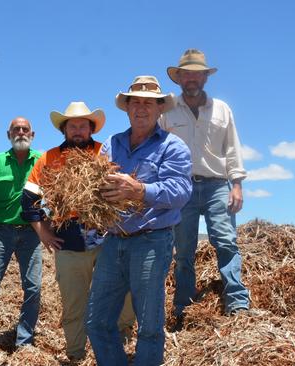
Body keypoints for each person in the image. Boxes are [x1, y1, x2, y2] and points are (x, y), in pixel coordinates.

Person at [85, 76, 192, 366]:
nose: (141, 109)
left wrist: (140, 190)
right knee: (97, 322)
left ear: (160, 109)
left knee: (148, 326)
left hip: (152, 241)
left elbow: (181, 191)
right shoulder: (111, 144)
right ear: (127, 108)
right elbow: (96, 185)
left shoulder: (173, 146)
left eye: (148, 103)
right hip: (113, 241)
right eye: (135, 103)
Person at [21, 102, 135, 361]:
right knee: (74, 304)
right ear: (64, 129)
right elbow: (28, 201)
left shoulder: (105, 153)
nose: (78, 130)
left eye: (83, 125)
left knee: (123, 294)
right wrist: (43, 232)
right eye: (73, 125)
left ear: (91, 128)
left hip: (107, 236)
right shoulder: (48, 159)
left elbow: (125, 191)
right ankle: (76, 355)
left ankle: (121, 348)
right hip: (68, 240)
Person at [159, 49, 250, 321]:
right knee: (183, 250)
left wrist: (237, 185)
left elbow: (232, 148)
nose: (191, 78)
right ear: (179, 78)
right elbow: (159, 150)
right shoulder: (167, 110)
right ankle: (184, 308)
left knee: (225, 241)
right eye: (186, 73)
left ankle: (237, 302)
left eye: (196, 73)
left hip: (217, 185)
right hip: (181, 188)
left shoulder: (222, 109)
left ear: (205, 77)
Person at [0, 117, 43, 347]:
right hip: (1, 231)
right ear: (8, 134)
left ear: (32, 134)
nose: (20, 133)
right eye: (15, 130)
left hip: (32, 232)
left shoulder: (42, 161)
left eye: (25, 129)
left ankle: (24, 340)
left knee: (33, 287)